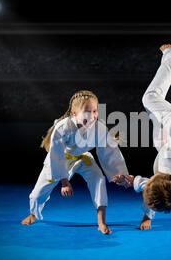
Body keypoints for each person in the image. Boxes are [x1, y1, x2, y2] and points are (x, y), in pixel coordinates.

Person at [113, 44, 171, 230]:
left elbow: (155, 189)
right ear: (157, 178)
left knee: (152, 105)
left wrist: (133, 183)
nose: (149, 180)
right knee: (149, 98)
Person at [21, 90, 128, 234]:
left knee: (98, 178)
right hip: (61, 159)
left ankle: (101, 222)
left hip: (83, 158)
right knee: (38, 191)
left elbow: (110, 152)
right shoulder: (63, 128)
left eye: (95, 111)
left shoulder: (99, 128)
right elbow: (56, 156)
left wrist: (119, 174)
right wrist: (64, 182)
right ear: (74, 113)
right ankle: (33, 214)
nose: (92, 116)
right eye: (87, 112)